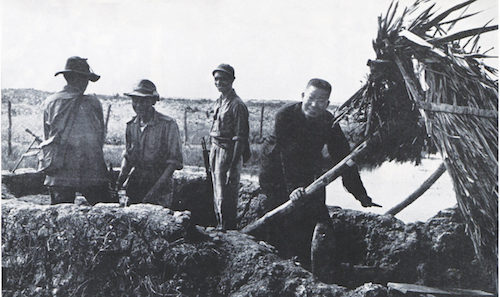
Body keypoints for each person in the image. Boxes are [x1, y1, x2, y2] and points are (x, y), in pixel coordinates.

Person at [259, 78, 378, 281]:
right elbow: (287, 156)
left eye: (320, 101)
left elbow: (344, 160)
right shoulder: (285, 116)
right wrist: (294, 188)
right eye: (311, 98)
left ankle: (317, 268)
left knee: (319, 216)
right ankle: (279, 269)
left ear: (327, 104)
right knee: (282, 219)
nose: (314, 105)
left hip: (306, 171)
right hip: (275, 171)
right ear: (303, 96)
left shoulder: (328, 122)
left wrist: (360, 194)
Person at [40, 56, 113, 205]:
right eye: (85, 79)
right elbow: (100, 137)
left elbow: (47, 136)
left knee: (60, 218)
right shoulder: (93, 103)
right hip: (91, 170)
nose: (86, 83)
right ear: (73, 78)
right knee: (106, 215)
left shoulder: (50, 102)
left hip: (59, 171)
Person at [116, 79, 183, 207]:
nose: (138, 105)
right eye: (135, 100)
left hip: (159, 186)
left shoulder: (168, 125)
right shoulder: (131, 126)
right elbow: (129, 157)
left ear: (152, 101)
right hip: (136, 185)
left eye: (143, 101)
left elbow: (174, 163)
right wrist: (119, 181)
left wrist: (153, 192)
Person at [209, 64, 250, 231]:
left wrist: (232, 167)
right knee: (217, 192)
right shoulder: (219, 101)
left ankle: (228, 230)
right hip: (215, 148)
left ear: (232, 80)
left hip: (228, 152)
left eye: (223, 79)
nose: (219, 82)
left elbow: (240, 138)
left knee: (226, 194)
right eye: (216, 79)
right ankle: (220, 226)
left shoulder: (237, 105)